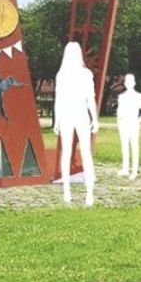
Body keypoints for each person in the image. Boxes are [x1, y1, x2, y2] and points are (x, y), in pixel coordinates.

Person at [53, 42, 99, 206]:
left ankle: (68, 192)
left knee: (67, 153)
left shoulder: (63, 75)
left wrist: (57, 119)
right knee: (85, 152)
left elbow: (59, 100)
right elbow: (90, 99)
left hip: (68, 115)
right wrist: (94, 119)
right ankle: (88, 194)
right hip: (78, 115)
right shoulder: (84, 74)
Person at [116, 74, 141, 180]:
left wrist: (139, 120)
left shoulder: (138, 96)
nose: (128, 84)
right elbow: (119, 111)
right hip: (123, 124)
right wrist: (119, 121)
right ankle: (125, 168)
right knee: (124, 146)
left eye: (130, 82)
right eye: (127, 82)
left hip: (133, 123)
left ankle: (134, 170)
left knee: (134, 146)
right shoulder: (122, 97)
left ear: (134, 83)